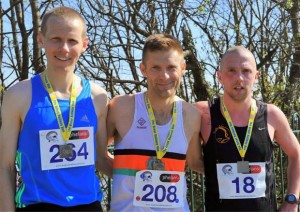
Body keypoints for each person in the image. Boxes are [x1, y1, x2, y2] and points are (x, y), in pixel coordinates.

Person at [0, 6, 112, 211]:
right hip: (39, 205)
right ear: (41, 39)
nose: (64, 49)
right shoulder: (18, 95)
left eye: (72, 41)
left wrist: (142, 173)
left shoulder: (98, 97)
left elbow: (102, 159)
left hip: (89, 206)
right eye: (56, 39)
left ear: (84, 44)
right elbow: (5, 165)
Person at [193, 46, 300, 211]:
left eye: (246, 71)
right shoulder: (202, 113)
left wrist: (292, 201)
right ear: (220, 76)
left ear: (256, 76)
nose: (239, 78)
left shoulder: (272, 115)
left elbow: (296, 154)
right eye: (231, 70)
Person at [107, 33, 204, 211]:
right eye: (156, 68)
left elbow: (195, 162)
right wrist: (128, 173)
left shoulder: (191, 115)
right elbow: (96, 154)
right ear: (143, 69)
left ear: (183, 68)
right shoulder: (121, 107)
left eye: (171, 67)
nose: (164, 76)